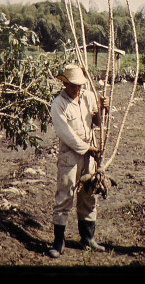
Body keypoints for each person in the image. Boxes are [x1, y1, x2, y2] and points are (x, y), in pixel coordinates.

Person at [47, 64, 109, 258]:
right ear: (65, 84)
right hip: (70, 155)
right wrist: (86, 148)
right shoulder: (58, 104)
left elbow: (97, 122)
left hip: (89, 155)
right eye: (73, 86)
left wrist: (103, 109)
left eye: (79, 85)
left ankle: (88, 238)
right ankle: (59, 242)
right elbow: (65, 133)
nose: (77, 89)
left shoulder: (88, 96)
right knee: (65, 196)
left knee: (89, 194)